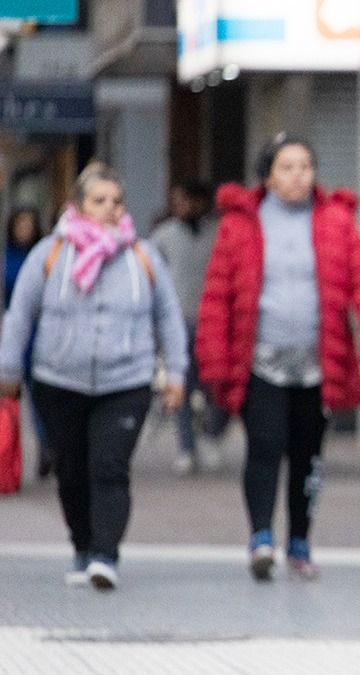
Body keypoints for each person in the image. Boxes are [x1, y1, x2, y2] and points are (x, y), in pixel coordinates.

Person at [196, 133, 360, 582]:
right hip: (260, 361)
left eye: (305, 166)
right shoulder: (240, 224)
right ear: (267, 176)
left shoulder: (337, 221)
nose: (297, 175)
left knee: (308, 455)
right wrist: (213, 359)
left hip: (317, 364)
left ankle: (300, 541)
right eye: (286, 167)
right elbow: (217, 296)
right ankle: (261, 537)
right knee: (264, 447)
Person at [0, 163, 188, 591]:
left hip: (126, 381)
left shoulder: (142, 256)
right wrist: (8, 370)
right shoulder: (49, 253)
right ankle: (83, 545)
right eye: (98, 200)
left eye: (116, 201)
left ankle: (105, 554)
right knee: (71, 470)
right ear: (77, 206)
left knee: (110, 466)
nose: (109, 209)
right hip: (58, 381)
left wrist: (176, 373)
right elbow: (20, 315)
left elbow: (168, 317)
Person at [150, 180, 228, 475]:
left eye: (186, 201)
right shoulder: (163, 236)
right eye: (176, 201)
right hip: (177, 323)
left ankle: (211, 433)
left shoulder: (218, 233)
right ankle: (187, 447)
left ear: (201, 202)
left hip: (213, 323)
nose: (181, 207)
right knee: (179, 384)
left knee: (217, 386)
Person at [4, 206, 52, 478]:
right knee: (8, 402)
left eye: (29, 224)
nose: (24, 229)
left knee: (39, 399)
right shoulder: (5, 258)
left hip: (38, 337)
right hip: (10, 334)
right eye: (20, 224)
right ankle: (8, 456)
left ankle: (46, 448)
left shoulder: (42, 256)